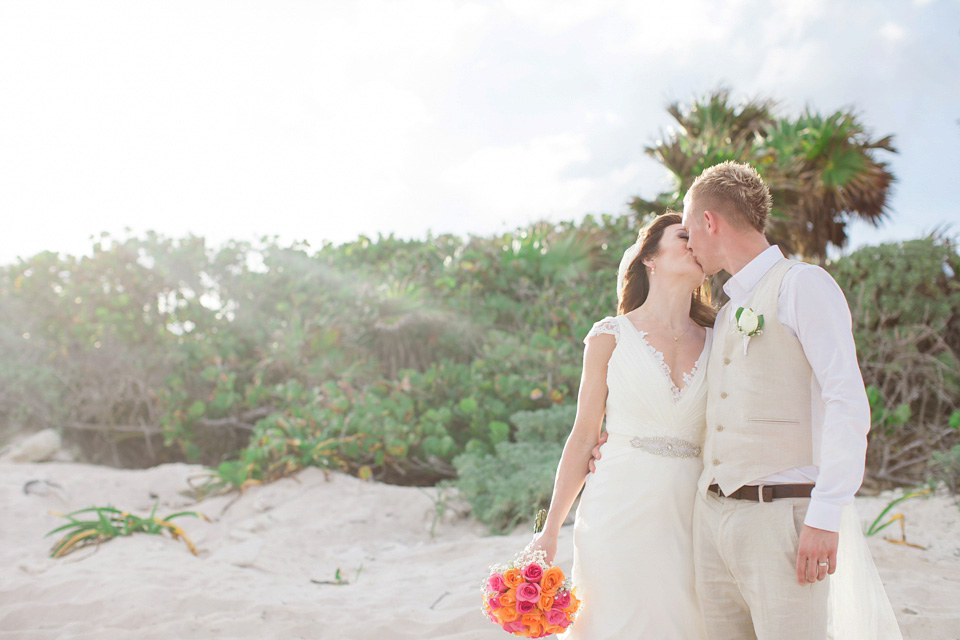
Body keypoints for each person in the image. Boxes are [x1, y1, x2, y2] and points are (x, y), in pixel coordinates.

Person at [592, 161, 899, 639]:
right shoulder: (727, 312)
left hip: (781, 520)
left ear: (709, 222)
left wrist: (825, 513)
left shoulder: (803, 285)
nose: (688, 241)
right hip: (710, 521)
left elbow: (846, 402)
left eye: (689, 228)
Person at [527, 212, 714, 638]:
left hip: (695, 508)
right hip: (617, 504)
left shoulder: (722, 335)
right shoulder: (609, 335)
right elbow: (583, 436)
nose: (695, 244)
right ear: (649, 257)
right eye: (684, 235)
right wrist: (550, 531)